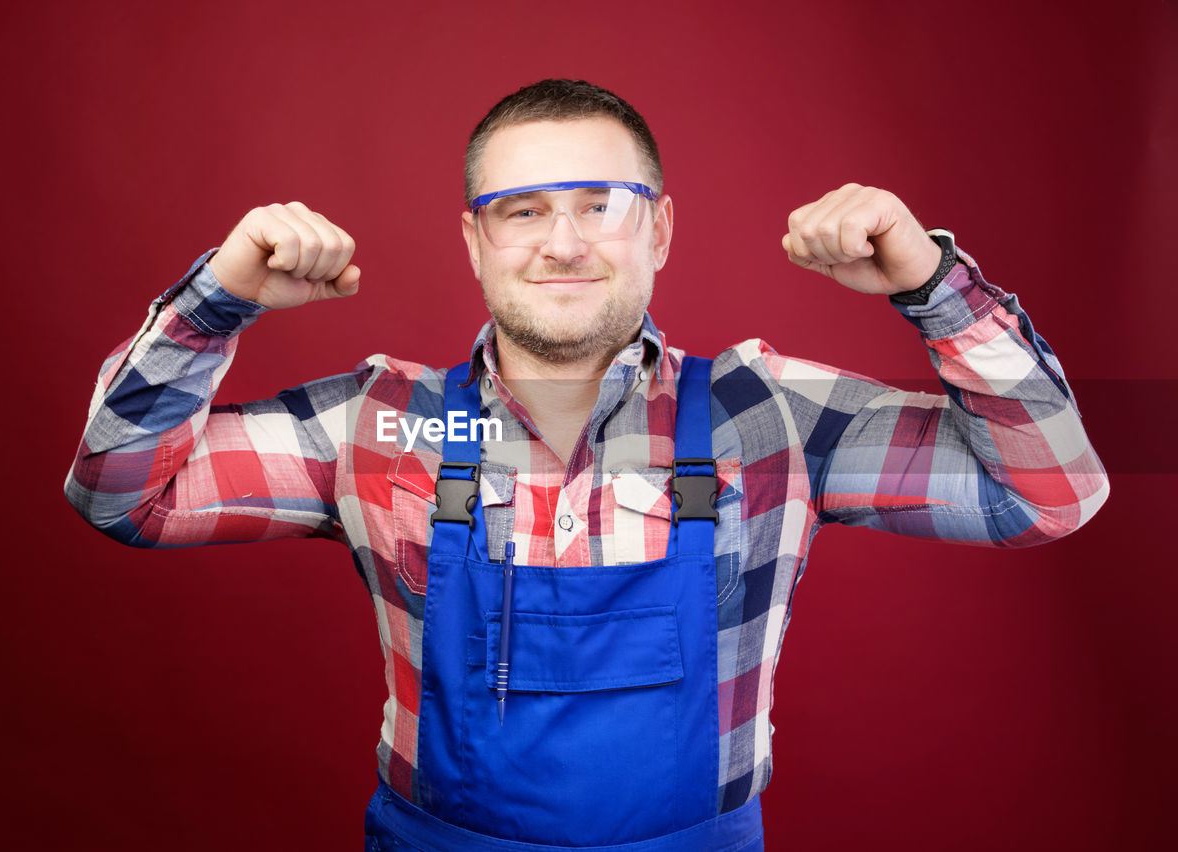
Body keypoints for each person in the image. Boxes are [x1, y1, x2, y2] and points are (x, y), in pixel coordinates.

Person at [64, 79, 1109, 850]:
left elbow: (1047, 492)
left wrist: (932, 286)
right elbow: (124, 493)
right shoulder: (385, 425)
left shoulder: (769, 417)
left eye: (600, 205)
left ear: (657, 228)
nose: (562, 243)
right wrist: (218, 301)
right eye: (520, 210)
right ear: (474, 243)